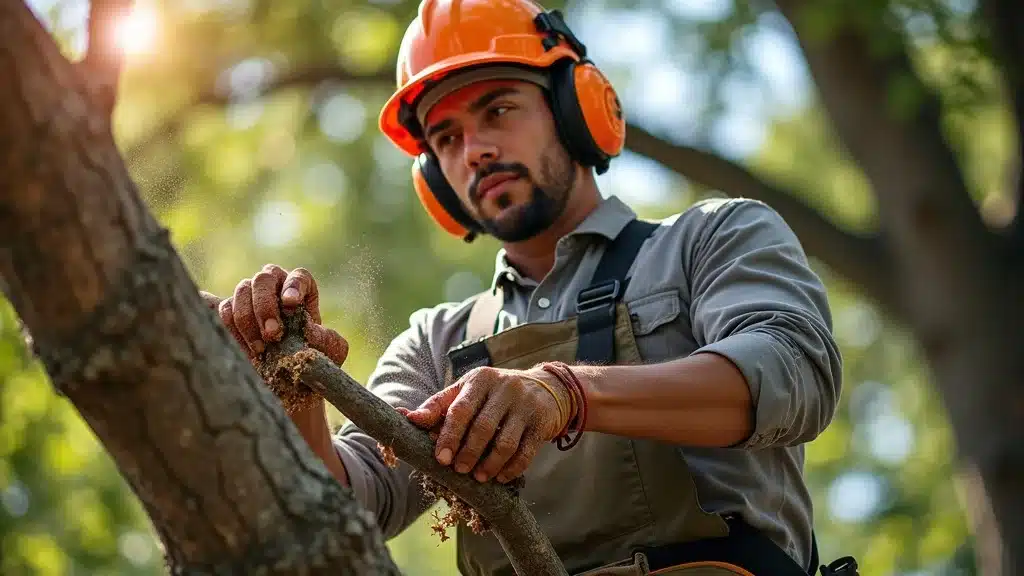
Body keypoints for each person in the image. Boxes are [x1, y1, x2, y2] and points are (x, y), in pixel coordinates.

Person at [202, 1, 856, 574]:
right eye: (447, 137)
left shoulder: (710, 240)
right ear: (433, 178)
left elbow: (792, 372)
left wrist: (566, 393)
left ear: (576, 110)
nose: (475, 151)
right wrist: (292, 386)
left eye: (498, 109)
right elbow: (345, 510)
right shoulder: (440, 344)